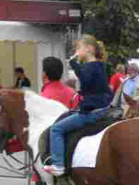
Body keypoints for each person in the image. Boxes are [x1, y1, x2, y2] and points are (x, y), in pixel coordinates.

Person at [32, 56, 102, 185]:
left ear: (44, 74)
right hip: (71, 153)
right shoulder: (71, 93)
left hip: (48, 156)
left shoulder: (43, 96)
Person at [43, 35, 111, 176]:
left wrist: (73, 63)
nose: (77, 51)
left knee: (56, 129)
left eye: (79, 48)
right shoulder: (100, 65)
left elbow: (85, 80)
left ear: (90, 49)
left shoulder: (90, 66)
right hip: (102, 108)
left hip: (92, 111)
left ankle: (58, 164)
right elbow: (92, 87)